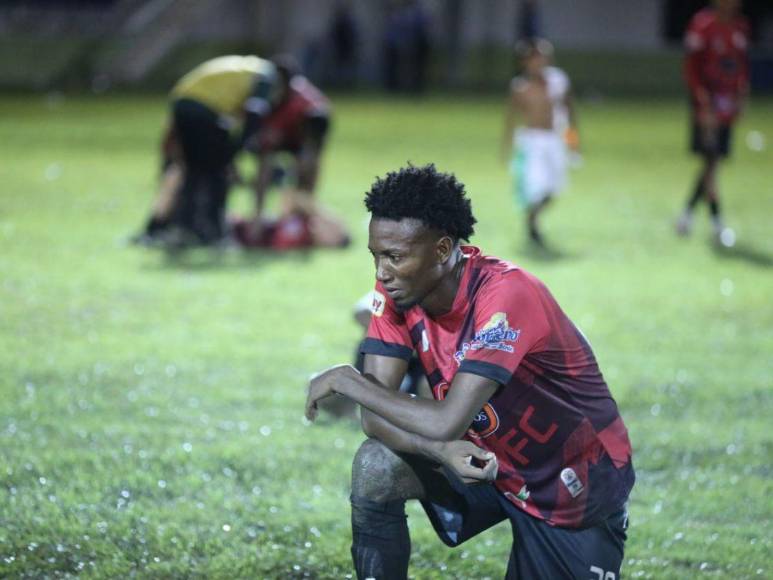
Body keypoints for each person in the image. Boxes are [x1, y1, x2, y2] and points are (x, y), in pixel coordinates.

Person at [305, 164, 635, 579]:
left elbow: (446, 421)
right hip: (482, 461)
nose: (381, 272)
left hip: (572, 485)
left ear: (442, 250)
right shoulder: (395, 291)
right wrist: (439, 451)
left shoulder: (506, 296)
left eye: (395, 257)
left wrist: (348, 380)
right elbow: (375, 419)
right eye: (376, 255)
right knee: (376, 466)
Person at [165, 55, 280, 245]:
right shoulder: (267, 75)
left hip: (181, 103)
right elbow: (255, 110)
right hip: (206, 110)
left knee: (194, 172)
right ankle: (215, 231)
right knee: (218, 174)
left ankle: (184, 227)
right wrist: (239, 146)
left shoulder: (245, 67)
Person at [676, 0, 749, 246]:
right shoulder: (702, 25)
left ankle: (686, 215)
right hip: (706, 107)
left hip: (726, 107)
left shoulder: (740, 26)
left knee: (712, 164)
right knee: (711, 163)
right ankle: (716, 223)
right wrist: (702, 101)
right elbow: (691, 67)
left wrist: (741, 95)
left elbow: (741, 66)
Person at [502, 38, 578, 246]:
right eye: (533, 58)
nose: (538, 62)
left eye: (542, 57)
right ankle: (532, 222)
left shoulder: (558, 81)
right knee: (536, 186)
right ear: (524, 62)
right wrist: (507, 148)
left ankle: (533, 217)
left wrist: (573, 143)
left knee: (554, 188)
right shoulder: (520, 87)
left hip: (554, 140)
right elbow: (511, 119)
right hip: (532, 142)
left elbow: (569, 113)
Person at [249, 56, 332, 222]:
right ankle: (258, 215)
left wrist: (307, 156)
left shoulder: (307, 104)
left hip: (303, 136)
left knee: (307, 168)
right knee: (264, 165)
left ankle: (302, 213)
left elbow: (316, 136)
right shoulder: (264, 98)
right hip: (280, 136)